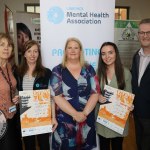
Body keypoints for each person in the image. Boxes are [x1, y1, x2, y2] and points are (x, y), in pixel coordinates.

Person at [50, 37, 100, 150]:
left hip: (86, 120)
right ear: (65, 51)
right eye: (70, 47)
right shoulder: (57, 70)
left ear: (80, 51)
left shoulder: (89, 69)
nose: (72, 50)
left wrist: (84, 114)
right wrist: (75, 114)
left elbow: (95, 93)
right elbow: (57, 96)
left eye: (76, 48)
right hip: (65, 122)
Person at [14, 40, 57, 150]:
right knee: (29, 146)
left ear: (39, 54)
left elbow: (51, 97)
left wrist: (53, 118)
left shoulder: (46, 73)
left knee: (44, 145)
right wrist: (16, 98)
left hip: (42, 116)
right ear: (24, 54)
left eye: (35, 51)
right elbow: (16, 92)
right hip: (26, 117)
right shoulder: (18, 72)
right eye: (29, 51)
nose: (32, 55)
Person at [95, 42, 133, 150]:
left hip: (118, 120)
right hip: (102, 119)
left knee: (117, 146)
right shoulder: (98, 73)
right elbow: (94, 93)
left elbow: (128, 96)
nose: (107, 57)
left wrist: (130, 106)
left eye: (110, 52)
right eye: (103, 54)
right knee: (103, 146)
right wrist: (97, 96)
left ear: (116, 53)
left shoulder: (125, 73)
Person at [0, 33, 22, 150]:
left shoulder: (8, 66)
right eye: (2, 45)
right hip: (1, 120)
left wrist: (16, 96)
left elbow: (11, 88)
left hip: (12, 115)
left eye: (9, 45)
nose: (6, 48)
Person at [131, 18, 150, 150]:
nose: (145, 36)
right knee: (140, 144)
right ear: (138, 35)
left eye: (148, 32)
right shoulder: (136, 56)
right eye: (142, 32)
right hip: (138, 112)